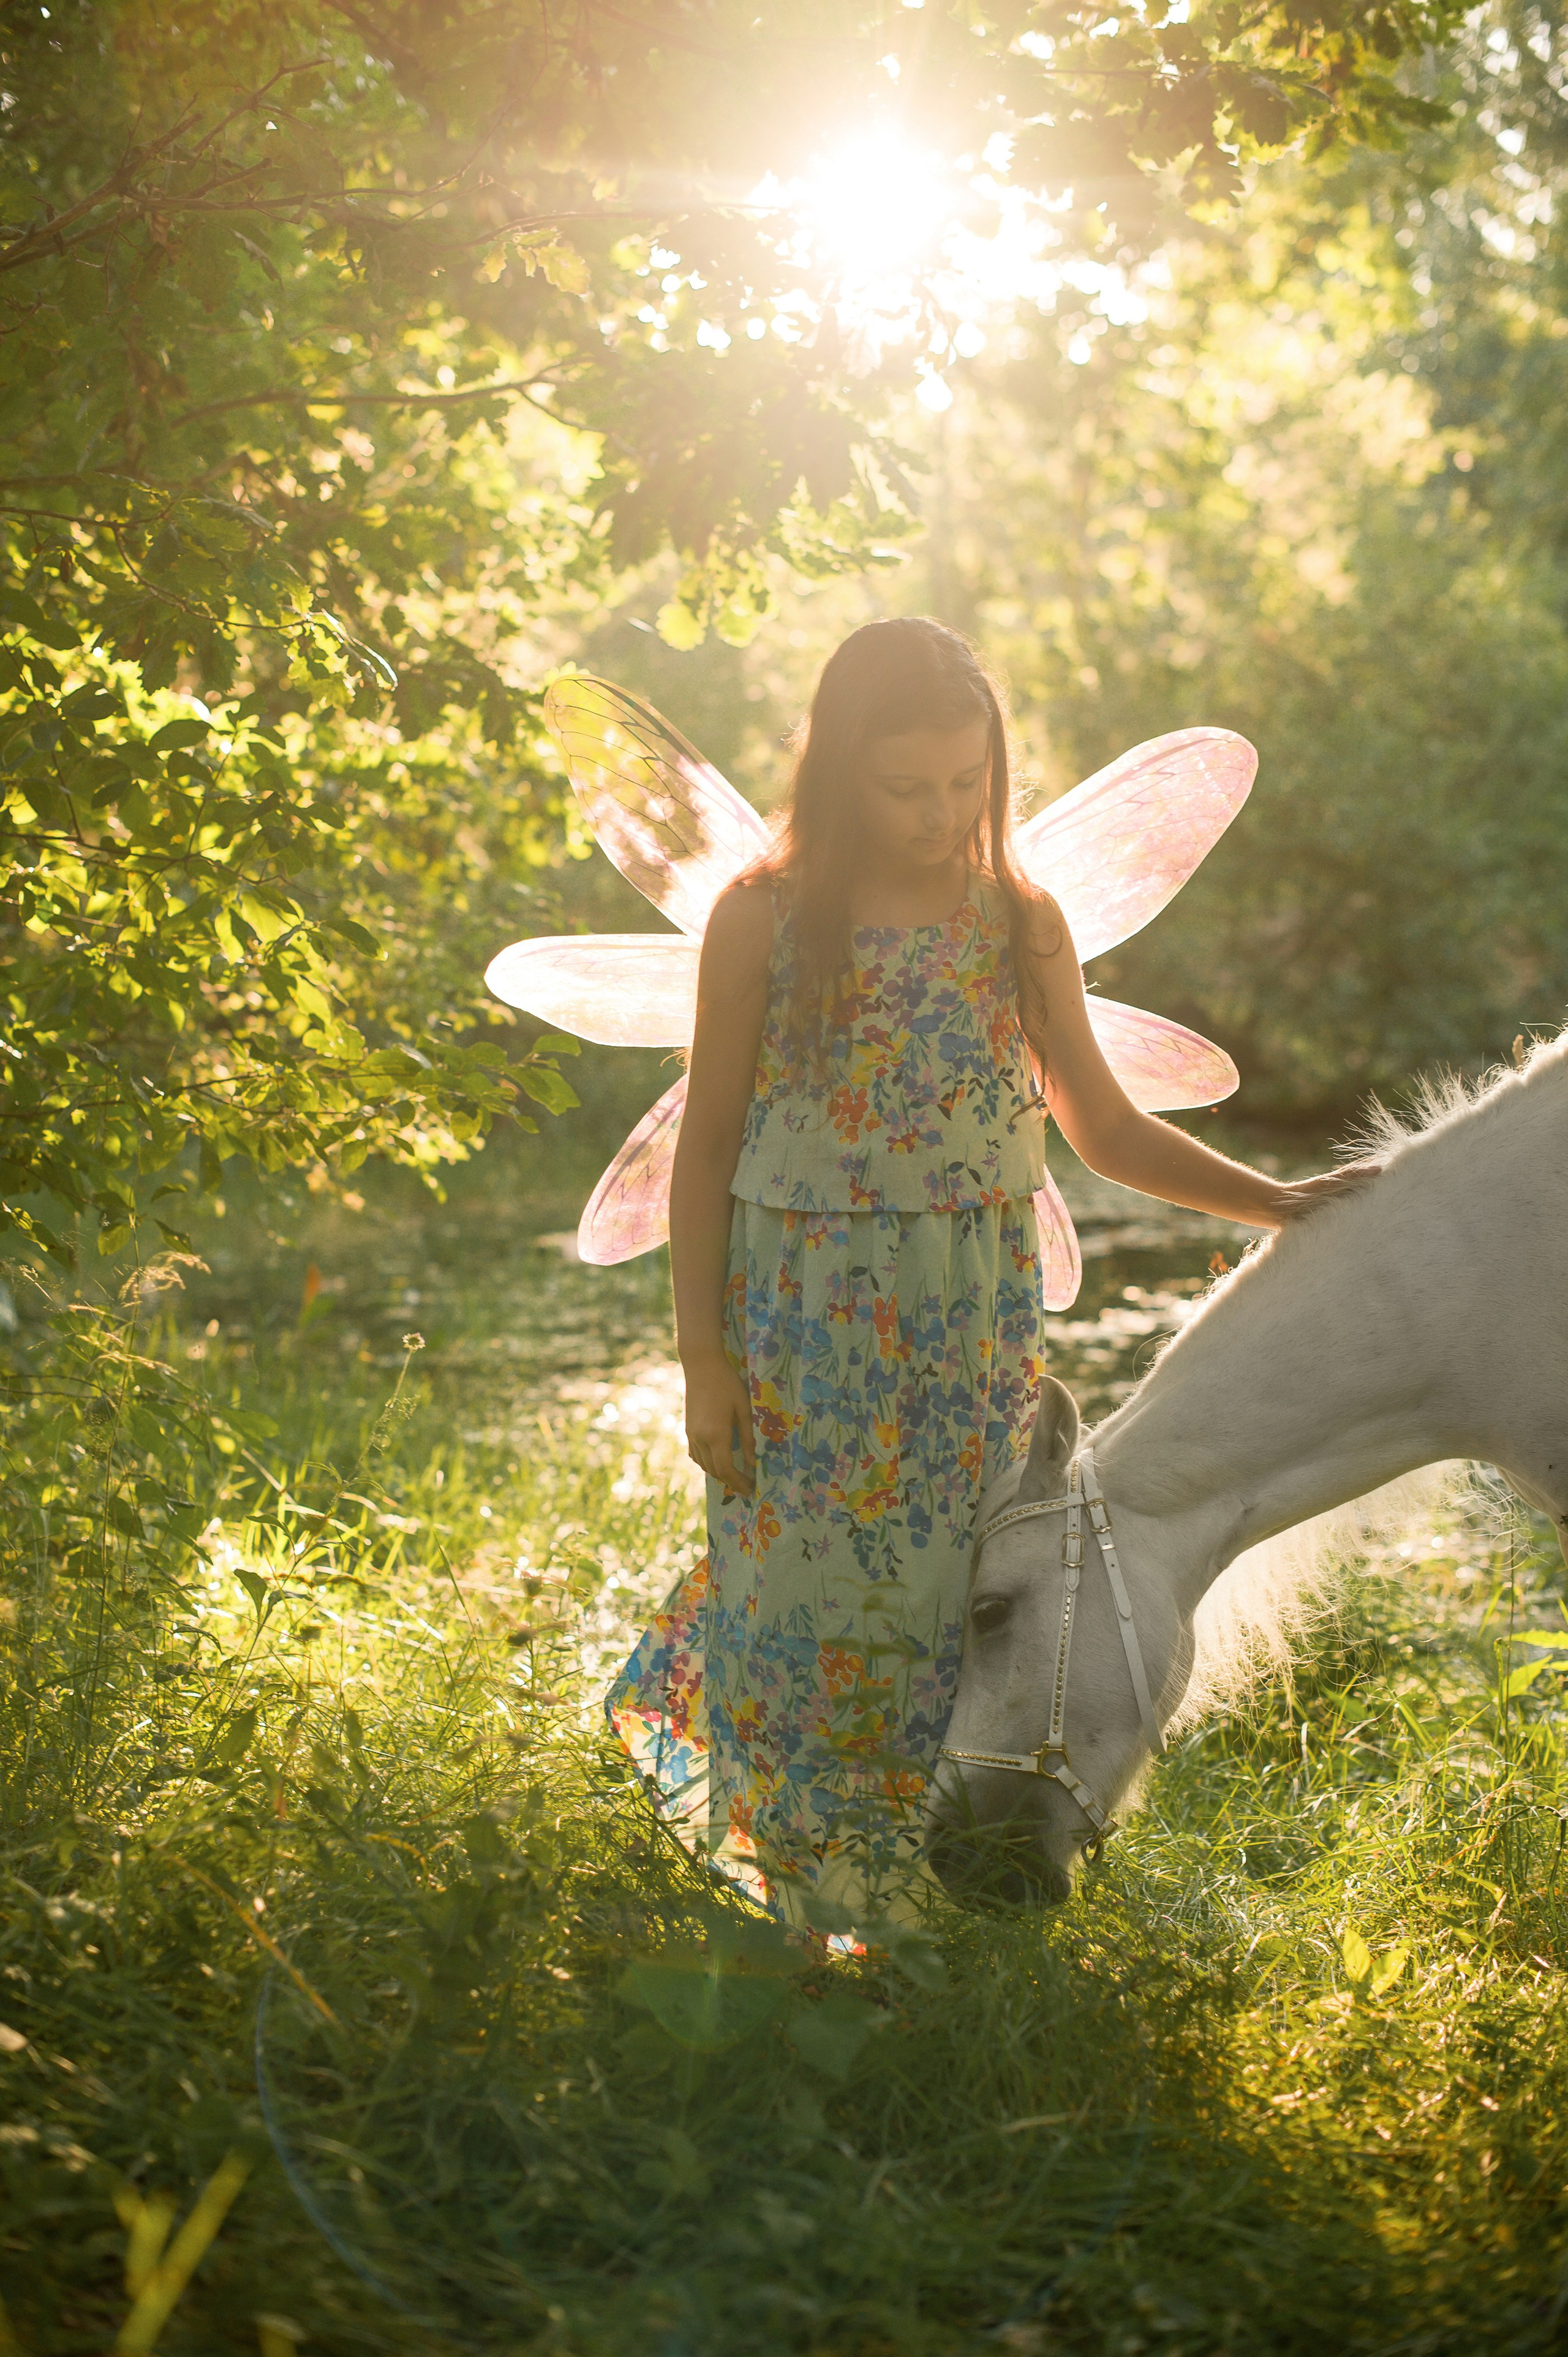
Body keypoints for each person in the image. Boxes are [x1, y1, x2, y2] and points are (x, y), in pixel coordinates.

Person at [606, 617, 1368, 1925]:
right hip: (798, 1318)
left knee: (944, 1595)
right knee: (801, 1592)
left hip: (964, 1317)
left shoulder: (1014, 919)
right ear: (839, 770)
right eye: (904, 787)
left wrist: (1276, 1200)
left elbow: (1104, 1125)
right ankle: (803, 1900)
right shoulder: (762, 920)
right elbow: (709, 1143)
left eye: (965, 784)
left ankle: (918, 1889)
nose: (937, 813)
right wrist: (702, 1362)